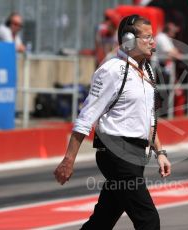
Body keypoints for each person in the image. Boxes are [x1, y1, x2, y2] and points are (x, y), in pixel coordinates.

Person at [54, 14, 171, 230]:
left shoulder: (146, 70)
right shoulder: (111, 70)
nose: (153, 42)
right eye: (147, 37)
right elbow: (86, 117)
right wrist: (68, 159)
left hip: (136, 154)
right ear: (128, 39)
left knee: (103, 220)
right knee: (148, 220)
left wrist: (160, 152)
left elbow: (148, 118)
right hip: (116, 153)